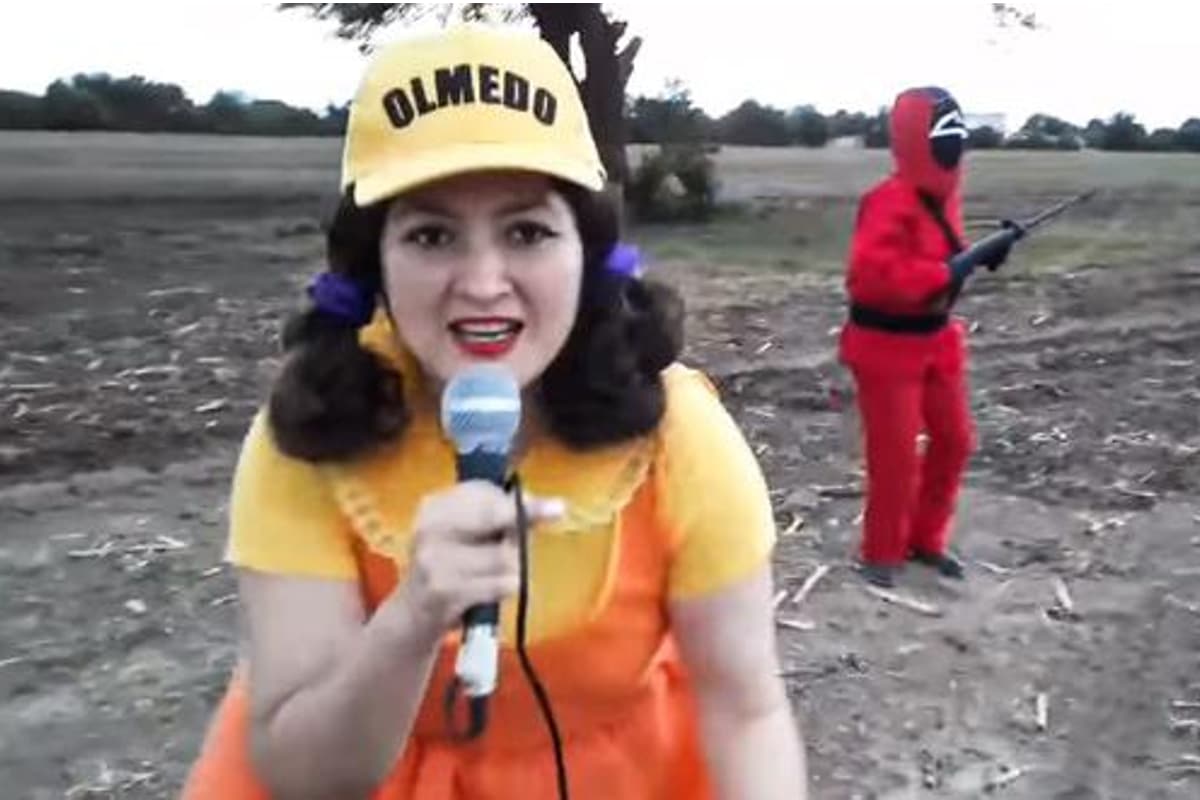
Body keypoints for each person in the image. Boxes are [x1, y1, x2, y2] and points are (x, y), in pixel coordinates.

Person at [182, 26, 807, 800]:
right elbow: (305, 778)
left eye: (527, 232)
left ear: (590, 251)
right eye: (432, 234)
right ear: (372, 262)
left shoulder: (678, 432)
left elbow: (745, 709)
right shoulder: (310, 436)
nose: (483, 283)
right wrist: (415, 616)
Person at [838, 86, 1009, 589]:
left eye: (959, 135)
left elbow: (945, 264)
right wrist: (945, 272)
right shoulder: (884, 201)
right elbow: (873, 279)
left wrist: (982, 255)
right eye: (942, 135)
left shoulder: (946, 199)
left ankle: (926, 539)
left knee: (955, 441)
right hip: (886, 347)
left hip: (937, 341)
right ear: (915, 140)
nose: (953, 146)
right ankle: (882, 551)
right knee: (893, 458)